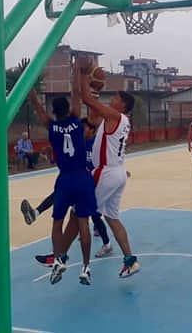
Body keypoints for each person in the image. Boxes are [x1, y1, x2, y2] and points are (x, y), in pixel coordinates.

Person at [28, 69, 97, 285]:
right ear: (68, 109)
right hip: (83, 178)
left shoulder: (51, 125)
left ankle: (58, 259)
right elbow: (76, 92)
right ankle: (85, 267)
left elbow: (36, 105)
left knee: (57, 222)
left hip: (65, 179)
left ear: (54, 111)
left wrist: (29, 81)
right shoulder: (77, 120)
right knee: (83, 223)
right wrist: (78, 70)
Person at [23, 117, 114, 261]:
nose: (81, 130)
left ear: (91, 130)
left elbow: (106, 161)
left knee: (94, 216)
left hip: (92, 184)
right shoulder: (78, 143)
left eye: (84, 128)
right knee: (61, 197)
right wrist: (52, 155)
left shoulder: (96, 145)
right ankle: (36, 213)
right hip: (79, 184)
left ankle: (106, 244)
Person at [80, 72, 140, 278]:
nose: (111, 99)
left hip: (105, 172)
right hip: (118, 172)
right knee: (112, 217)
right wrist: (93, 90)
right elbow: (92, 113)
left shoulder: (115, 116)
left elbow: (87, 100)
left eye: (115, 98)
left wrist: (81, 76)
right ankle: (130, 261)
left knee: (79, 210)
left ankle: (58, 256)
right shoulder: (118, 119)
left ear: (122, 105)